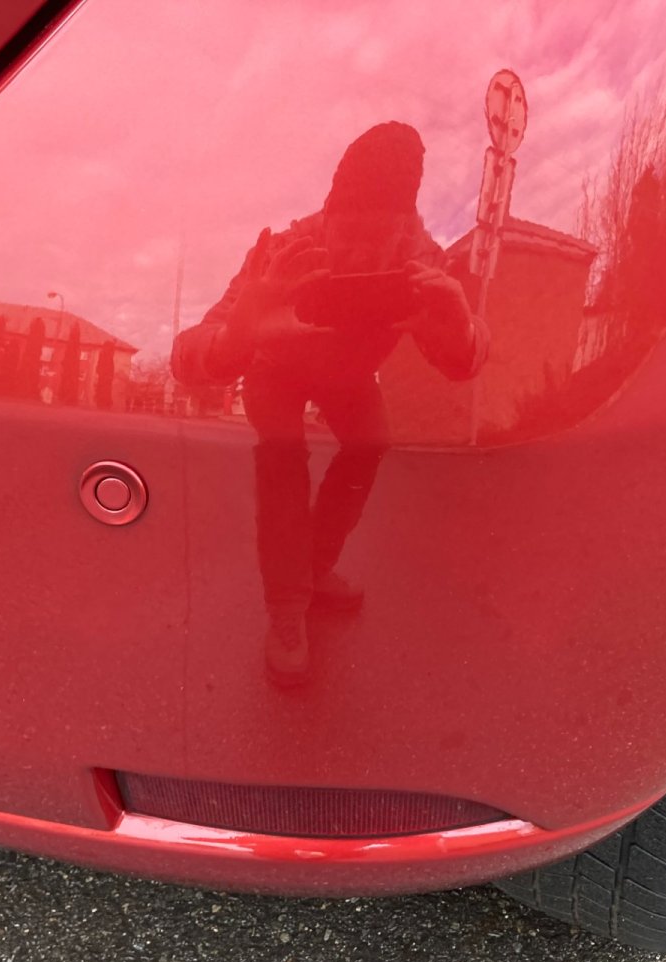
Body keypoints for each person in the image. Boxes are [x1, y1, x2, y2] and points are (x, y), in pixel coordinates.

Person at [172, 122, 487, 685]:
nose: (358, 253)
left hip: (347, 373)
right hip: (275, 367)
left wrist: (462, 331)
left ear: (405, 227)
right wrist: (237, 335)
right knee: (282, 457)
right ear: (329, 213)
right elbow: (187, 353)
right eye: (348, 233)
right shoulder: (286, 250)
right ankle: (287, 607)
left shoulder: (422, 261)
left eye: (377, 238)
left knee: (370, 443)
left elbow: (461, 359)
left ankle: (314, 568)